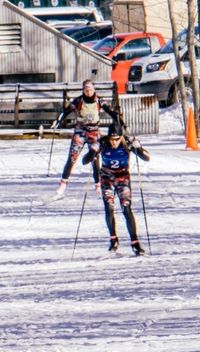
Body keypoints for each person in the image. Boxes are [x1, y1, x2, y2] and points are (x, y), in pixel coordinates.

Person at [82, 122, 151, 255]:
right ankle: (113, 239)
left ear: (121, 137)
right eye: (111, 140)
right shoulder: (102, 143)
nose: (113, 143)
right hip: (107, 176)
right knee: (109, 206)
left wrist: (139, 147)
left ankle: (135, 242)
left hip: (122, 176)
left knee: (126, 207)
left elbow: (146, 158)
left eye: (116, 140)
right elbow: (84, 161)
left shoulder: (127, 143)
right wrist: (93, 151)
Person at [52, 80, 122, 198]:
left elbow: (110, 111)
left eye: (90, 90)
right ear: (83, 90)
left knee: (95, 158)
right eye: (86, 90)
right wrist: (58, 120)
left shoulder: (99, 100)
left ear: (93, 90)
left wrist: (119, 121)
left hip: (94, 131)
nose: (89, 92)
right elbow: (67, 110)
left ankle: (98, 184)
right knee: (73, 156)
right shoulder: (79, 100)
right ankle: (63, 183)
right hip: (80, 130)